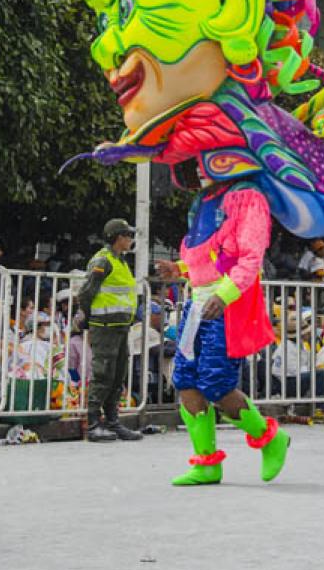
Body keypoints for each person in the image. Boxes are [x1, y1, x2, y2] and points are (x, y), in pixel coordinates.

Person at [158, 182, 290, 487]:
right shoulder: (204, 201)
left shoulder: (248, 198)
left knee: (216, 383)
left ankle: (270, 438)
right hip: (196, 306)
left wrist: (225, 294)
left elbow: (249, 258)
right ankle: (206, 464)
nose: (200, 169)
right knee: (185, 380)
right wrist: (178, 268)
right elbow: (209, 261)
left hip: (227, 306)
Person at [79, 218, 143, 443]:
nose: (131, 239)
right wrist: (89, 319)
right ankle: (94, 423)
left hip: (120, 326)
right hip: (104, 326)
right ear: (118, 237)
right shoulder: (103, 260)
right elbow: (86, 292)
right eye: (128, 235)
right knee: (103, 374)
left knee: (117, 375)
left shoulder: (122, 262)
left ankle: (113, 422)